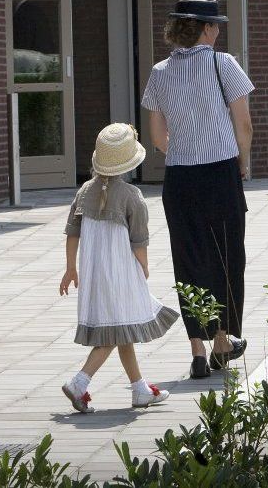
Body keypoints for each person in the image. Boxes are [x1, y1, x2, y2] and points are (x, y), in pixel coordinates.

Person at [142, 0, 254, 380]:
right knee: (225, 255)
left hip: (179, 177)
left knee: (188, 259)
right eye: (216, 24)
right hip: (220, 171)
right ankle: (222, 340)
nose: (219, 30)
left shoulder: (159, 72)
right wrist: (242, 162)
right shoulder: (224, 64)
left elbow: (157, 136)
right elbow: (244, 125)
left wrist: (184, 150)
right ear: (206, 28)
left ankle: (197, 351)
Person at [60, 123, 180, 413]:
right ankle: (79, 382)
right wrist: (144, 267)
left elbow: (72, 232)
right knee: (115, 331)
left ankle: (139, 390)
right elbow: (139, 241)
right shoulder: (131, 196)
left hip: (94, 273)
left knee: (122, 328)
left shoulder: (84, 191)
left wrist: (70, 268)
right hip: (121, 273)